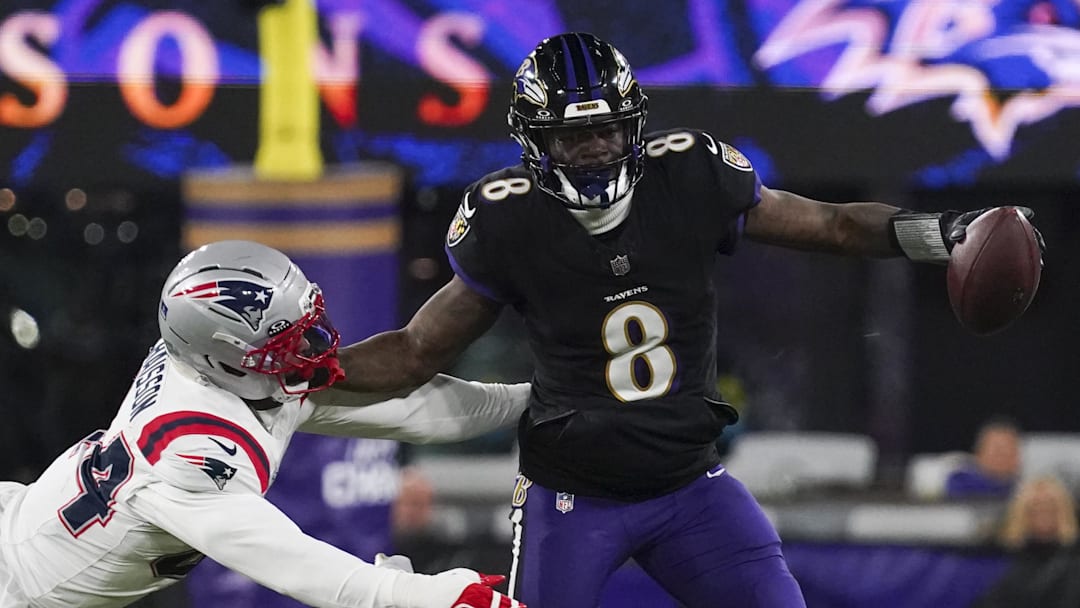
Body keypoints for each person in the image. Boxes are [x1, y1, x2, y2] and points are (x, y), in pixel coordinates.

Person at [334, 32, 1046, 608]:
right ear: (534, 142)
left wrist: (946, 230)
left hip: (690, 487)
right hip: (571, 497)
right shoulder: (508, 219)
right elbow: (417, 350)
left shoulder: (691, 175)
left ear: (633, 127)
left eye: (605, 135)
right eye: (571, 140)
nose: (591, 152)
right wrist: (307, 373)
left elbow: (830, 225)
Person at [0, 240, 527, 608]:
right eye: (288, 342)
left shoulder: (229, 368)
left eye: (307, 324)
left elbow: (408, 411)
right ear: (226, 360)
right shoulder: (191, 454)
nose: (316, 344)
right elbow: (297, 567)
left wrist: (537, 401)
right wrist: (431, 596)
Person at [974, 476, 1080, 607]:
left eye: (1050, 506)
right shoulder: (1000, 557)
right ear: (1021, 512)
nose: (1043, 512)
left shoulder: (1074, 559)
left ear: (1063, 511)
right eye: (1035, 507)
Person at [945, 417, 1023, 500]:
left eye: (1010, 452)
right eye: (998, 451)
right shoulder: (960, 484)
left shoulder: (1024, 489)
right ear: (979, 454)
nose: (1005, 458)